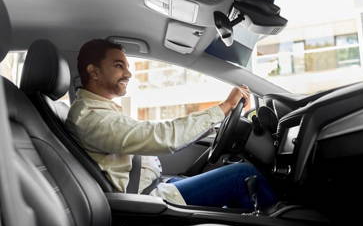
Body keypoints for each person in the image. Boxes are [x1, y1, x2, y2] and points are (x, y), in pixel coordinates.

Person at [66, 39, 278, 210]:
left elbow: (147, 136)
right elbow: (163, 137)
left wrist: (218, 123)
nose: (129, 74)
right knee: (242, 175)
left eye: (127, 66)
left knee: (229, 175)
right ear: (94, 72)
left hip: (156, 187)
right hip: (145, 201)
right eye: (119, 66)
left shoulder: (100, 109)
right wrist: (223, 108)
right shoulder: (91, 117)